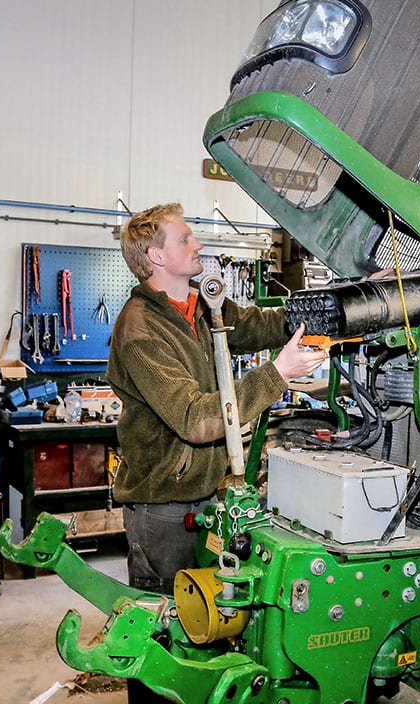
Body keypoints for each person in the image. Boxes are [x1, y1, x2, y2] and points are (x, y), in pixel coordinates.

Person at [107, 203, 323, 701]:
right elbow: (197, 420)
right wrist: (278, 374)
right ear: (157, 256)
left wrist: (337, 306)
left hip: (208, 499)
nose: (198, 245)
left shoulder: (202, 307)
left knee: (210, 627)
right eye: (186, 239)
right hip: (163, 508)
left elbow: (259, 324)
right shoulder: (141, 329)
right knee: (162, 636)